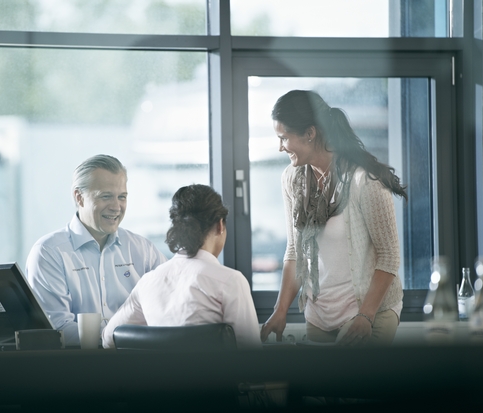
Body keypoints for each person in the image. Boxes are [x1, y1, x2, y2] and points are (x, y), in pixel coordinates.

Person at [260, 90, 407, 347]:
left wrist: (366, 315)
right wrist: (280, 310)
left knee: (348, 385)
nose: (280, 147)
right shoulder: (292, 179)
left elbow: (389, 256)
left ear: (310, 133)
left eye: (284, 138)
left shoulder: (364, 182)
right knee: (320, 388)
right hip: (320, 316)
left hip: (369, 313)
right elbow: (294, 251)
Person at [26, 154, 167, 346]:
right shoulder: (49, 252)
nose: (116, 207)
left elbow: (169, 305)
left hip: (138, 362)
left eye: (122, 197)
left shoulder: (143, 250)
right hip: (77, 366)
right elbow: (57, 328)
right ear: (79, 197)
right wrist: (120, 338)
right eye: (106, 196)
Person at [102, 184, 261, 350]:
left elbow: (109, 338)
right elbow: (251, 357)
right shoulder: (230, 281)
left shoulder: (147, 283)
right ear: (220, 225)